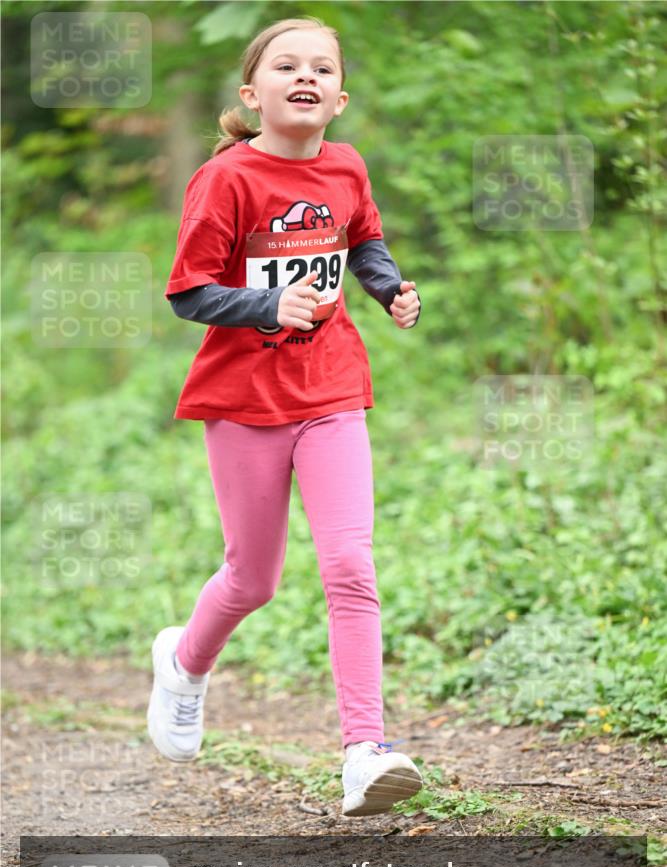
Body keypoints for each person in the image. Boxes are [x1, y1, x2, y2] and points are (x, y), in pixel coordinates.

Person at [147, 16, 424, 817]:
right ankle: (185, 665)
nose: (304, 76)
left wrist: (388, 288)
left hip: (332, 390)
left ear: (339, 97)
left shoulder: (345, 167)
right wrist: (269, 302)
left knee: (350, 566)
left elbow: (363, 239)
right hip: (243, 402)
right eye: (285, 65)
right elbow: (188, 291)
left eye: (321, 68)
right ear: (251, 93)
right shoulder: (227, 179)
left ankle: (364, 750)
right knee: (252, 577)